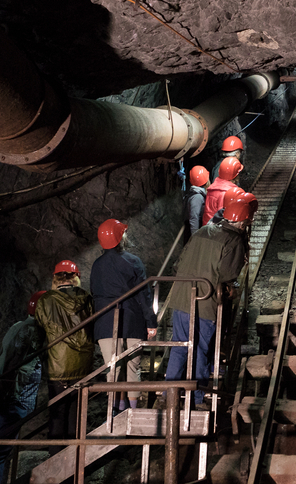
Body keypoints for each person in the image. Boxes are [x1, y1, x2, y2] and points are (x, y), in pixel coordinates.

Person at [165, 192, 256, 408]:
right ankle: (197, 398)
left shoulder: (204, 231)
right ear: (243, 222)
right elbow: (227, 274)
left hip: (180, 297)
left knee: (179, 345)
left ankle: (167, 390)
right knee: (200, 349)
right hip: (205, 302)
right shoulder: (233, 240)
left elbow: (178, 264)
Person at [91, 219, 158, 410]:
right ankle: (133, 411)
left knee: (113, 369)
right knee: (132, 368)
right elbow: (144, 295)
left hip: (105, 322)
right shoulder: (133, 262)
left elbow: (95, 293)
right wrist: (151, 322)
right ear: (121, 238)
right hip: (132, 321)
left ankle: (116, 411)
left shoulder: (96, 266)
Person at [0, 291, 45, 484]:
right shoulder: (27, 330)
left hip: (17, 398)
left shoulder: (27, 328)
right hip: (14, 399)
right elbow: (8, 362)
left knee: (1, 449)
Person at [34, 260, 94, 455]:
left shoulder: (45, 300)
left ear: (56, 278)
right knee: (77, 415)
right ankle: (74, 459)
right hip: (82, 364)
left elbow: (40, 326)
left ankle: (55, 461)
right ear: (76, 277)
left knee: (57, 414)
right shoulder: (86, 298)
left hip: (57, 365)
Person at [202, 156, 243, 225]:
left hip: (207, 228)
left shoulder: (213, 187)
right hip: (217, 231)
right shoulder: (226, 193)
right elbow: (222, 218)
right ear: (235, 176)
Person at [184, 165, 210, 242]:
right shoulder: (197, 197)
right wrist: (195, 238)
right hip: (193, 231)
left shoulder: (196, 194)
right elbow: (194, 217)